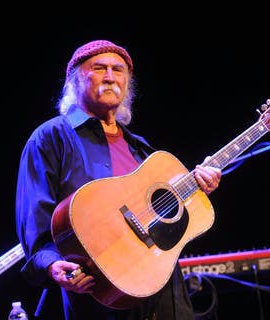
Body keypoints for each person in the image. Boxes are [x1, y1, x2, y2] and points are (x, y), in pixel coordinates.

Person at [15, 39, 222, 320]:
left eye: (119, 69)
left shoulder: (141, 149)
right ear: (75, 81)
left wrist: (196, 191)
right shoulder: (52, 137)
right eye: (99, 68)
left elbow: (161, 220)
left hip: (164, 292)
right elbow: (35, 219)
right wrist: (52, 265)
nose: (111, 76)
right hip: (98, 294)